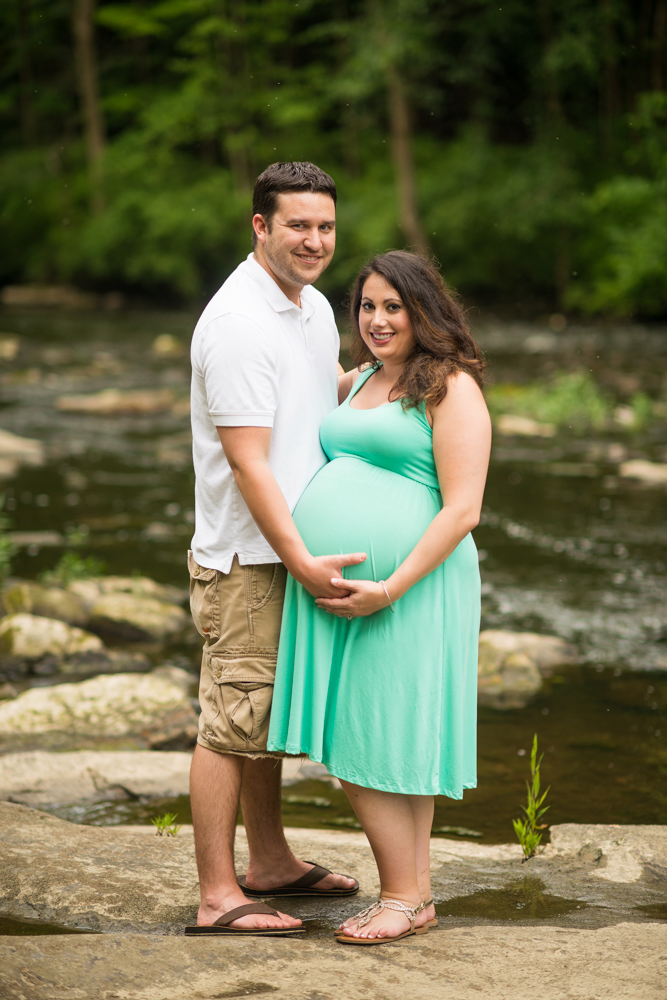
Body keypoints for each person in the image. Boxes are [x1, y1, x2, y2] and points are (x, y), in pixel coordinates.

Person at [267, 250, 491, 944]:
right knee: (382, 731)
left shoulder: (448, 386)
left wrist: (388, 588)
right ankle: (414, 896)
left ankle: (397, 895)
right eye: (366, 305)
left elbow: (461, 511)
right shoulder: (358, 378)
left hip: (410, 590)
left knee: (370, 732)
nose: (377, 319)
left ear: (423, 309)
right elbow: (284, 394)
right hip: (348, 594)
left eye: (393, 305)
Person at [185, 162, 361, 937]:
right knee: (231, 724)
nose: (314, 240)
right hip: (252, 556)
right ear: (259, 226)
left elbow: (318, 395)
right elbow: (249, 461)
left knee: (263, 717)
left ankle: (271, 863)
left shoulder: (312, 305)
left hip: (286, 547)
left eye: (324, 226)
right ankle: (219, 897)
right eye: (297, 225)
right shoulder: (236, 324)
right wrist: (298, 559)